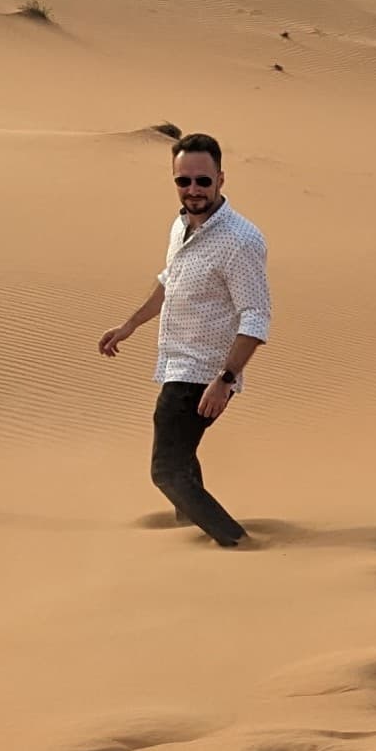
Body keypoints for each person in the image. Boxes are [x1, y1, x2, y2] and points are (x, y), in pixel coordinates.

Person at [97, 132, 271, 549]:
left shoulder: (240, 241)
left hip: (203, 374)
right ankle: (188, 528)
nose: (193, 190)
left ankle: (236, 542)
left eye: (202, 181)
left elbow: (257, 316)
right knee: (181, 459)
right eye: (183, 181)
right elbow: (169, 283)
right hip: (178, 364)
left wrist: (225, 379)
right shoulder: (182, 225)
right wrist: (130, 325)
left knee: (167, 471)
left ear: (221, 179)